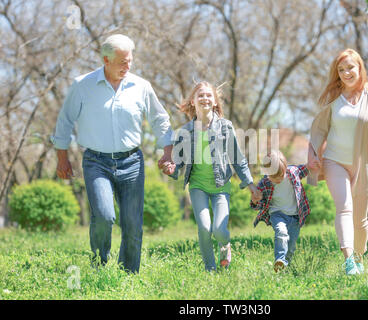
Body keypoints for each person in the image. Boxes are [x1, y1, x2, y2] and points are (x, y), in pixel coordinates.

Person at [51, 34, 173, 274]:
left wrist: (167, 151)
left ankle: (129, 274)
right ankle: (100, 266)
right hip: (97, 162)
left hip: (132, 162)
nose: (127, 66)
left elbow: (160, 119)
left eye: (130, 60)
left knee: (132, 224)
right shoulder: (82, 85)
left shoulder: (141, 86)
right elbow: (65, 121)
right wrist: (62, 158)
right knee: (104, 217)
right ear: (105, 60)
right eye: (121, 62)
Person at [307, 48, 368, 275]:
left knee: (360, 221)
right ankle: (348, 261)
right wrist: (313, 153)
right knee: (344, 208)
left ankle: (358, 257)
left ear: (360, 68)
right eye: (341, 69)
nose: (347, 72)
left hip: (364, 165)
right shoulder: (334, 99)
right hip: (335, 162)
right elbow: (319, 129)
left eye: (350, 67)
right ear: (337, 73)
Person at [161, 81, 261, 271]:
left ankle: (225, 247)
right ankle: (210, 269)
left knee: (220, 230)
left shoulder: (225, 127)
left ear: (215, 101)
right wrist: (171, 168)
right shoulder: (186, 131)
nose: (204, 98)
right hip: (197, 186)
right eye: (200, 95)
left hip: (221, 186)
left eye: (208, 95)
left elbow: (237, 158)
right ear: (193, 101)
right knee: (205, 228)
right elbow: (178, 162)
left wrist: (250, 185)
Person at [251, 150, 311, 273]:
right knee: (281, 232)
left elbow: (306, 169)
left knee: (291, 247)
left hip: (295, 216)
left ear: (285, 168)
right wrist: (256, 201)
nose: (277, 179)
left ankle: (285, 267)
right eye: (273, 177)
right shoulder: (264, 183)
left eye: (280, 176)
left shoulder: (293, 172)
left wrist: (313, 164)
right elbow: (258, 205)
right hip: (277, 214)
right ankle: (279, 260)